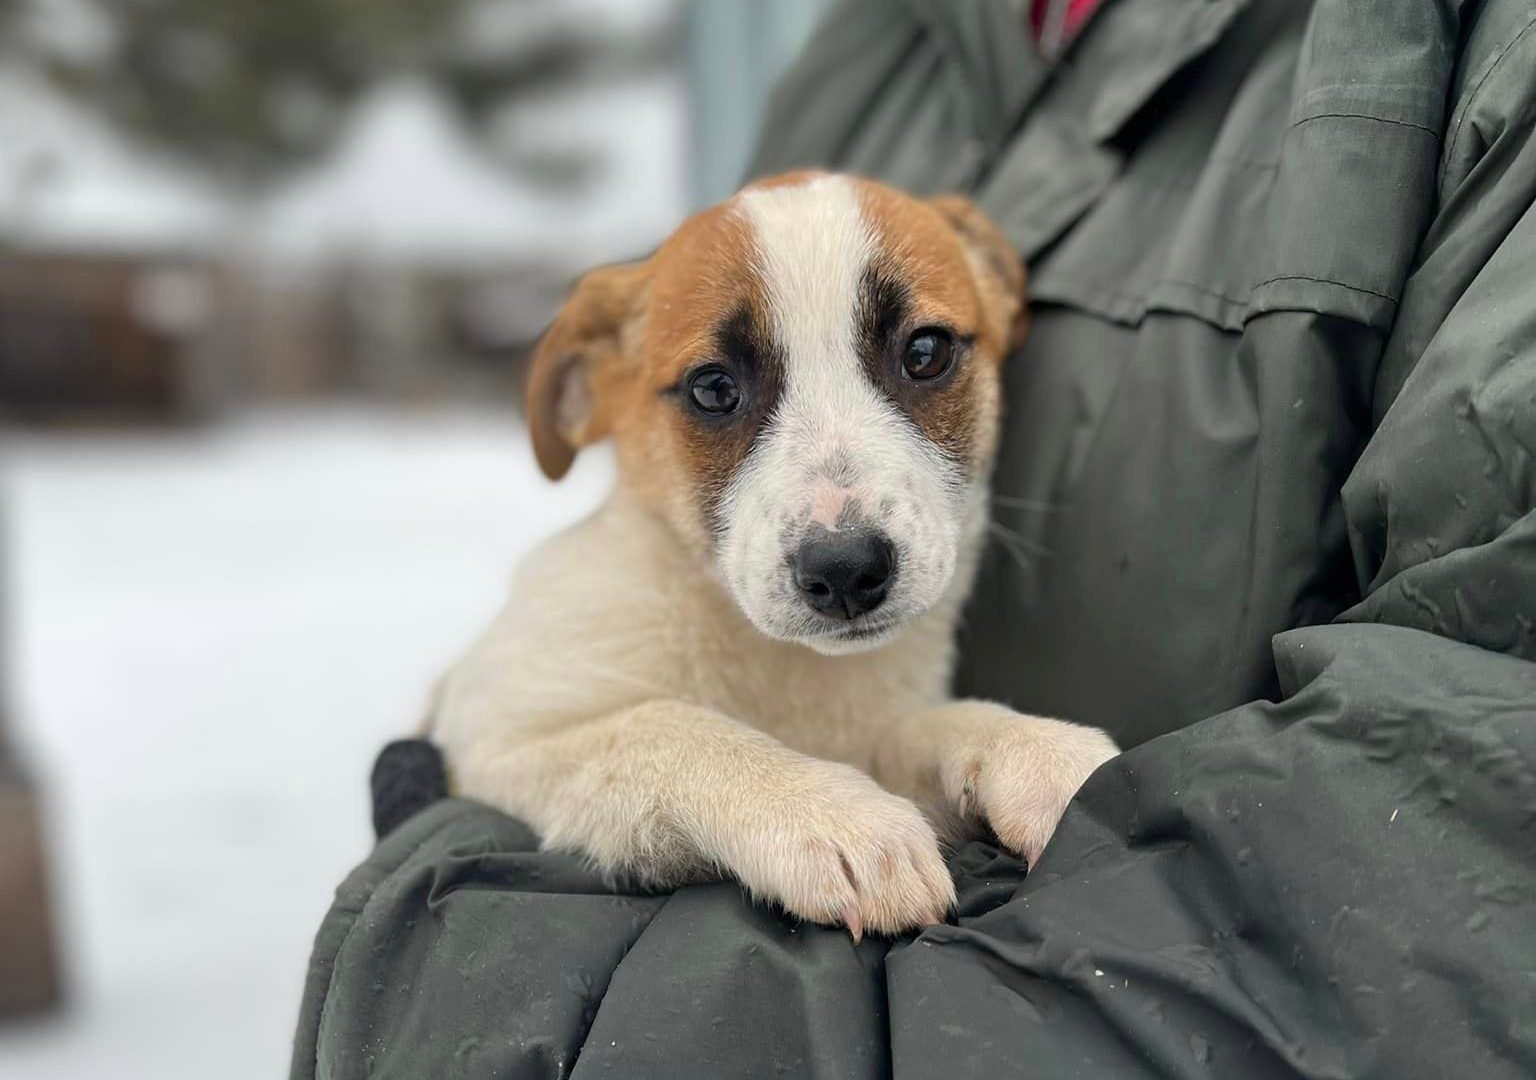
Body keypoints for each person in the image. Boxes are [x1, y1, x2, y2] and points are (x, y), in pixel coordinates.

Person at [291, 2, 1536, 1076]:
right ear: (597, 391)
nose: (838, 521)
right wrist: (744, 786)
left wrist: (970, 748)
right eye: (720, 394)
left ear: (998, 303)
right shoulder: (871, 43)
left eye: (922, 354)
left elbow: (860, 740)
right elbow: (511, 743)